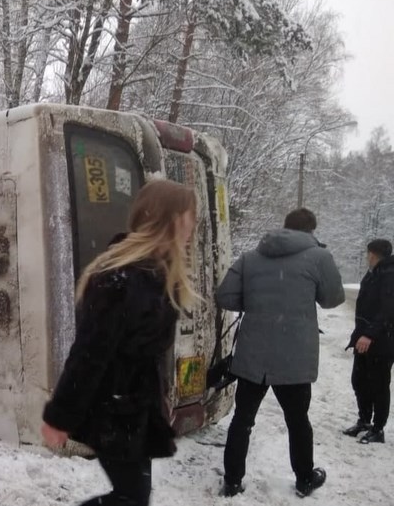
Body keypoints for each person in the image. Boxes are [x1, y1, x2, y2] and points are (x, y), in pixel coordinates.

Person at [41, 179, 198, 506]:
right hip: (113, 411)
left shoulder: (158, 273)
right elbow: (88, 354)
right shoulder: (119, 278)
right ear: (167, 219)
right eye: (188, 217)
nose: (192, 226)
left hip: (136, 412)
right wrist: (59, 417)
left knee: (134, 497)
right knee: (131, 499)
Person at [216, 208, 344, 498]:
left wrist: (257, 302)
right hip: (294, 359)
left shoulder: (251, 257)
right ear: (311, 231)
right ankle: (304, 479)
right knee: (298, 420)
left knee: (242, 420)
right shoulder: (319, 257)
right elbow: (333, 298)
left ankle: (233, 481)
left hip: (253, 357)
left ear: (284, 227)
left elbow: (225, 297)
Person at [343, 239, 394, 443]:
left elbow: (388, 311)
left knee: (379, 385)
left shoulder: (389, 275)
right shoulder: (374, 273)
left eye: (368, 253)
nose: (366, 257)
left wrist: (370, 334)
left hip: (382, 341)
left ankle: (378, 428)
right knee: (360, 381)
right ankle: (364, 420)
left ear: (373, 254)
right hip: (364, 338)